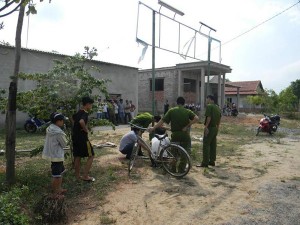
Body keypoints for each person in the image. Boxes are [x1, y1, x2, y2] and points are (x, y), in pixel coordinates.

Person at [42, 112, 67, 195]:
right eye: (62, 120)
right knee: (57, 175)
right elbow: (64, 144)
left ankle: (59, 189)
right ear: (58, 121)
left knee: (60, 172)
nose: (63, 122)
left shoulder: (50, 128)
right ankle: (55, 192)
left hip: (52, 154)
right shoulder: (58, 132)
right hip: (57, 155)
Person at [72, 96, 95, 182]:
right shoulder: (85, 113)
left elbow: (73, 119)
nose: (91, 106)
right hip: (82, 137)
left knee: (77, 156)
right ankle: (85, 176)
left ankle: (77, 176)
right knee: (91, 155)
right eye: (91, 105)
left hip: (75, 136)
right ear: (88, 104)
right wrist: (85, 129)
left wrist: (76, 128)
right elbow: (81, 121)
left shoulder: (78, 112)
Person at [197, 95, 221, 168]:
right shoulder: (217, 107)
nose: (206, 101)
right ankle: (212, 161)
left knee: (206, 144)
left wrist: (206, 127)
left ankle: (205, 162)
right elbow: (220, 118)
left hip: (210, 127)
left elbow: (209, 117)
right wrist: (217, 127)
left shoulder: (209, 106)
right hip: (215, 128)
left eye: (206, 99)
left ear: (210, 99)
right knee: (213, 145)